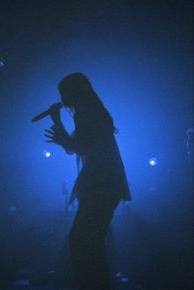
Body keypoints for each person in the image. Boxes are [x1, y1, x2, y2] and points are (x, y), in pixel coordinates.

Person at [44, 72, 131, 290]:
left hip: (100, 184)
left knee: (82, 242)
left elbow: (79, 147)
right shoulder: (88, 112)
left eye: (64, 94)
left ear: (74, 92)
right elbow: (72, 147)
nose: (63, 100)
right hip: (102, 183)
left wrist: (60, 133)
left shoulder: (87, 114)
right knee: (90, 243)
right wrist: (57, 122)